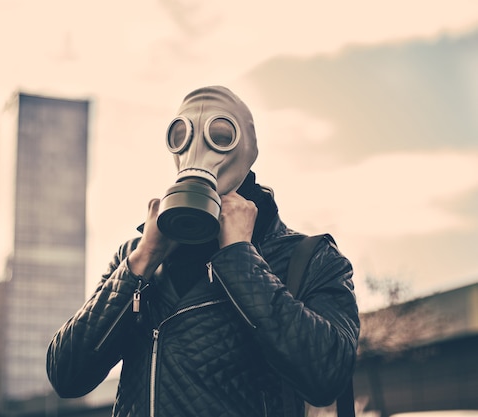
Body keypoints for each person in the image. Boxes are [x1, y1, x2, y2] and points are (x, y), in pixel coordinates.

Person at [46, 86, 360, 417]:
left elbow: (328, 374)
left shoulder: (308, 258)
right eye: (182, 135)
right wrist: (140, 263)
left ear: (248, 148)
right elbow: (66, 376)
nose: (198, 149)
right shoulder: (138, 256)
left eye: (220, 134)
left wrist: (240, 256)